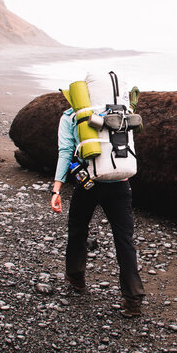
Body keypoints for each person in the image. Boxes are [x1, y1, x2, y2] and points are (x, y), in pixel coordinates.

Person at [50, 108, 145, 318]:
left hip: (88, 182)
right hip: (120, 182)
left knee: (78, 228)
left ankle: (76, 277)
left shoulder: (70, 116)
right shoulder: (120, 110)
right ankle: (133, 298)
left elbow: (66, 151)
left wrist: (57, 189)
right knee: (124, 240)